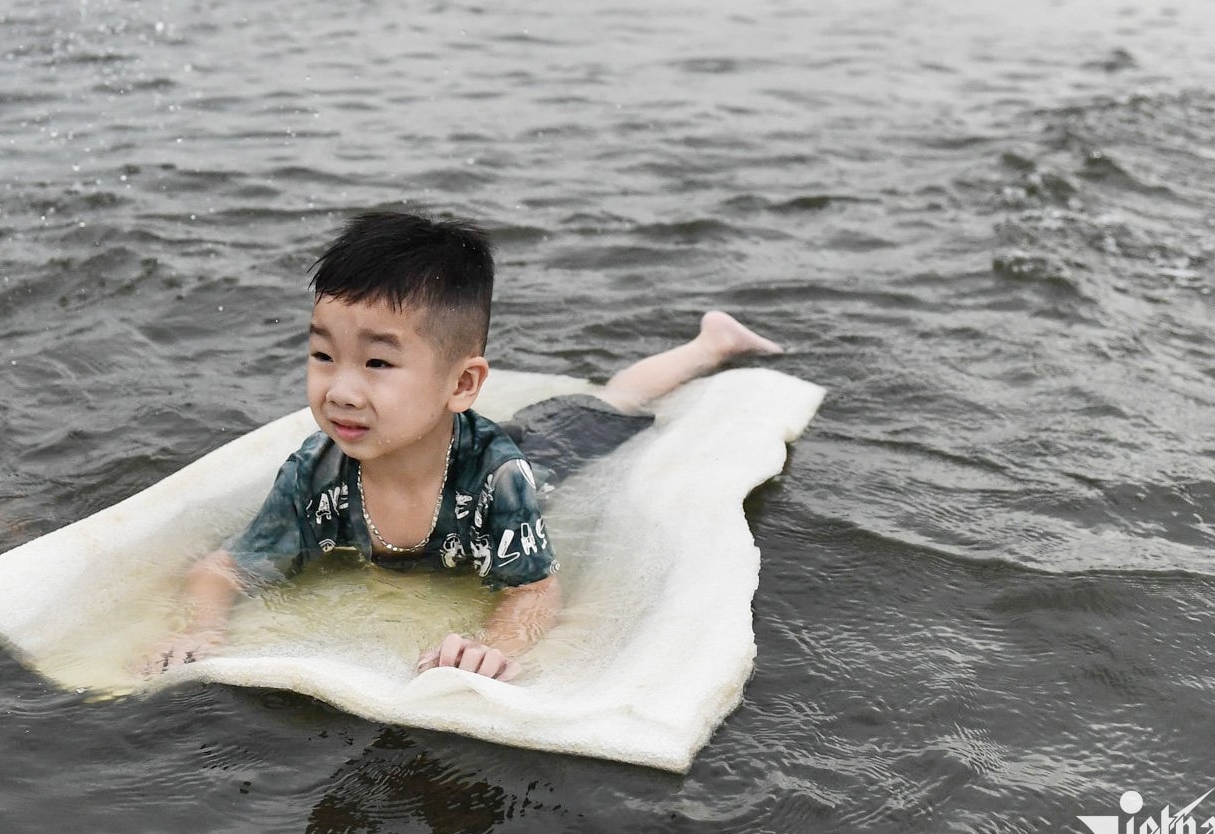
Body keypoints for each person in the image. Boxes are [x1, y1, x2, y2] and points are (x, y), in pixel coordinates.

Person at [143, 211, 782, 683]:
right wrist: (202, 626)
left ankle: (710, 345)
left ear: (463, 383)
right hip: (446, 432)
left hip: (543, 454)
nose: (339, 390)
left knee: (615, 404)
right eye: (321, 355)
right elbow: (223, 568)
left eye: (376, 363)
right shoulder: (315, 473)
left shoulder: (496, 479)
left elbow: (534, 592)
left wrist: (495, 646)